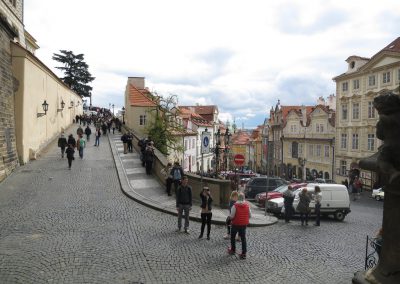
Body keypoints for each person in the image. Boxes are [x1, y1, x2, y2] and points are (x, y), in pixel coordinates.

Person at [228, 193, 251, 259]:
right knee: (243, 239)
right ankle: (244, 253)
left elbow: (232, 216)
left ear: (238, 198)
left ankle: (233, 250)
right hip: (243, 224)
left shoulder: (235, 206)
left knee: (233, 237)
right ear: (244, 198)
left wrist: (229, 218)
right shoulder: (247, 205)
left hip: (235, 224)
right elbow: (250, 215)